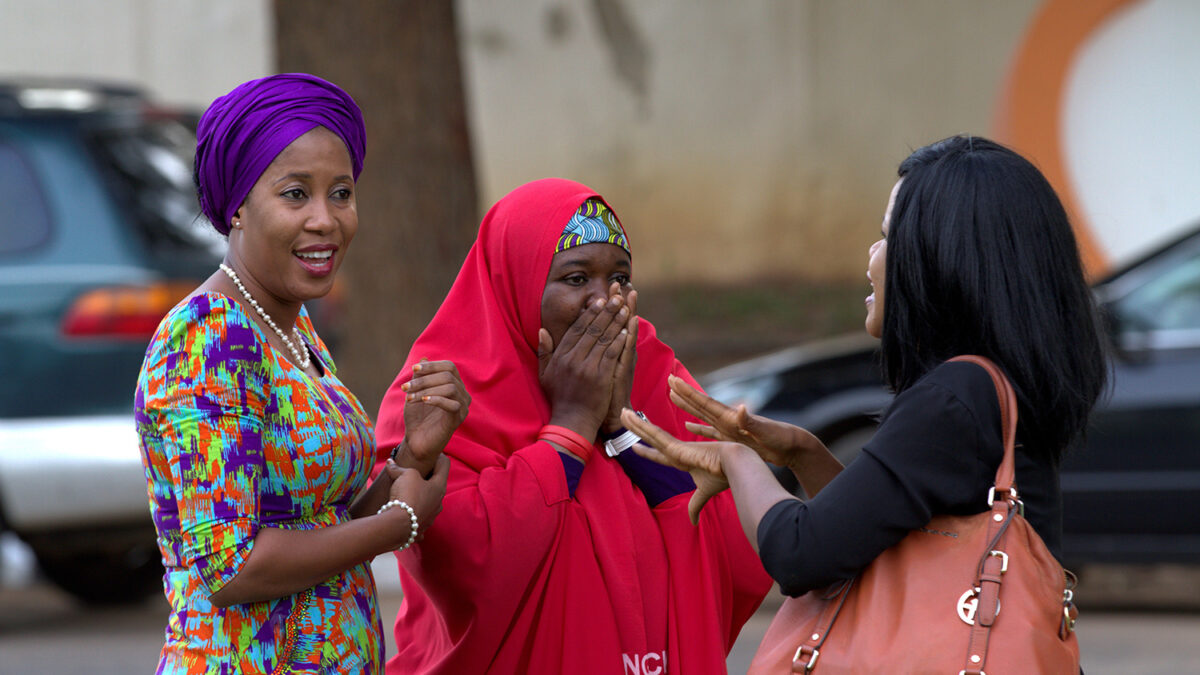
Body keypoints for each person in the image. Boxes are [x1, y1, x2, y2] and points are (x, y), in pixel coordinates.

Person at [622, 135, 1107, 618]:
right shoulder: (995, 385)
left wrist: (736, 459)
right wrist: (802, 452)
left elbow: (801, 555)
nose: (873, 253)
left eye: (888, 235)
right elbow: (869, 533)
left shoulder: (955, 397)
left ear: (936, 260)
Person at [134, 73, 467, 674]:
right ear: (237, 205)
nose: (326, 220)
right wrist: (400, 523)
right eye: (296, 195)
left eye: (341, 193)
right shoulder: (209, 339)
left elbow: (320, 525)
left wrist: (406, 465)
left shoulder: (289, 326)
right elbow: (232, 567)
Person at [374, 178, 772, 674]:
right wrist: (571, 425)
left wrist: (624, 429)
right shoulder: (439, 393)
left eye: (619, 279)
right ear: (516, 280)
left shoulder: (653, 374)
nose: (604, 301)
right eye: (577, 278)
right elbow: (462, 565)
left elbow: (735, 546)